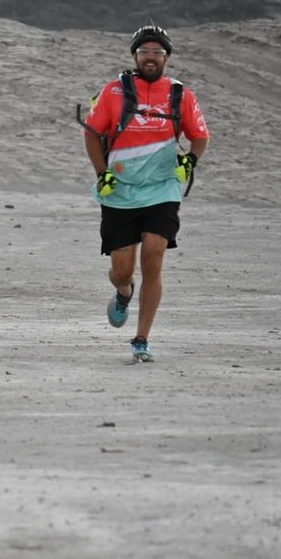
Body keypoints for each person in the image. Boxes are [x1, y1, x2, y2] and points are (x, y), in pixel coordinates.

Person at [82, 25, 209, 363]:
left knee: (153, 257)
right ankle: (124, 292)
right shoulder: (113, 91)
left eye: (157, 52)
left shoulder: (181, 94)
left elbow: (200, 136)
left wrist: (190, 161)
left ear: (166, 57)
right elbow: (92, 134)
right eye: (144, 52)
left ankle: (141, 339)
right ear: (135, 56)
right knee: (122, 271)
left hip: (163, 188)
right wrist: (102, 173)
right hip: (120, 191)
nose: (150, 57)